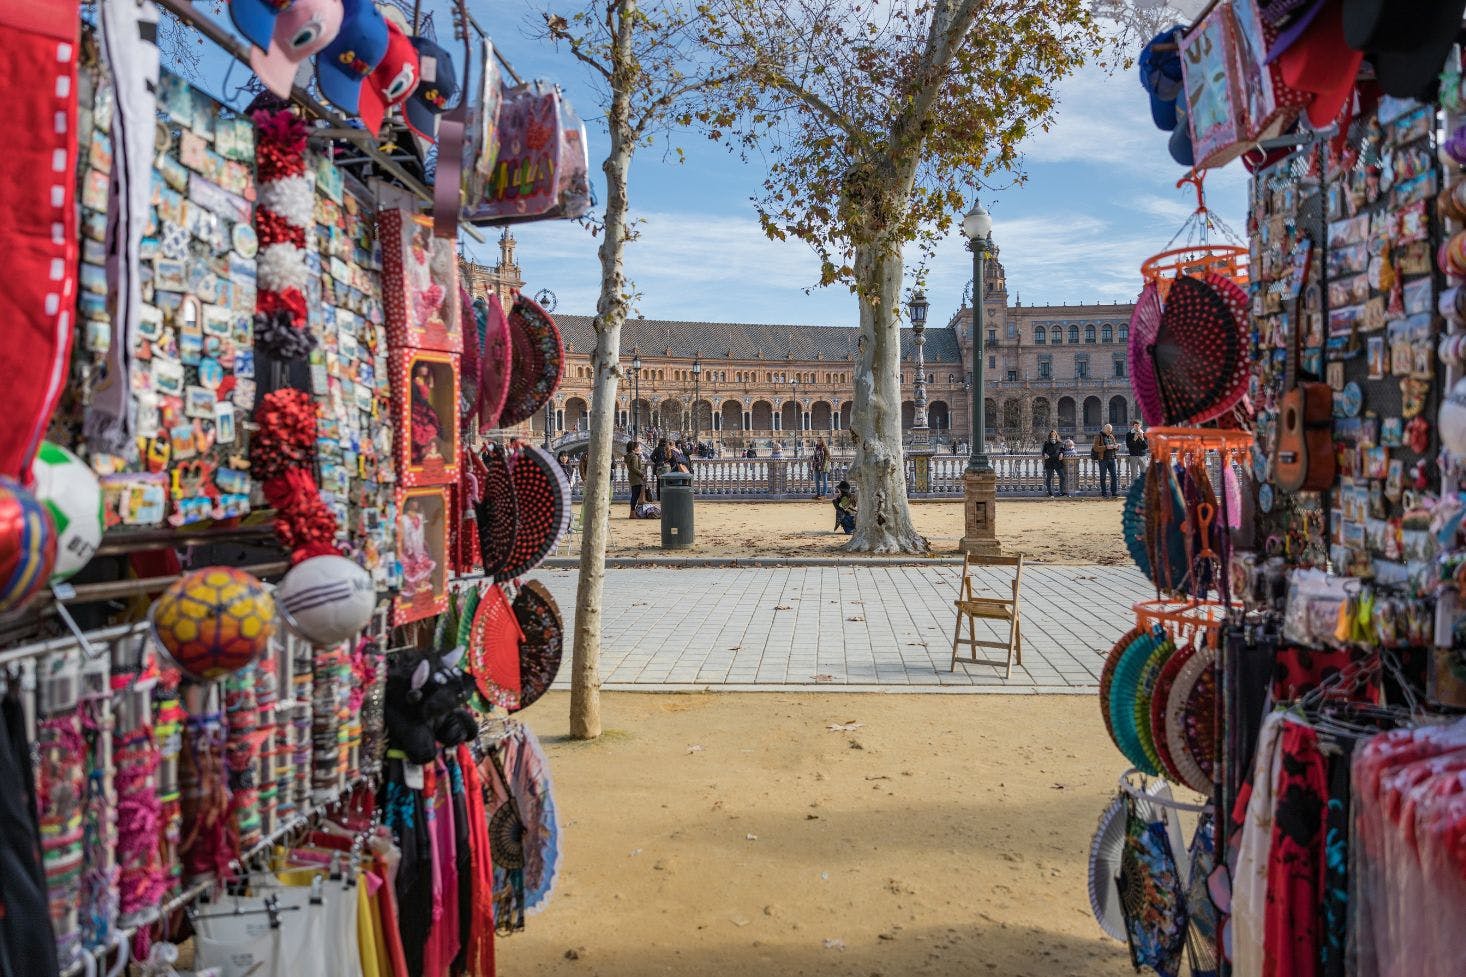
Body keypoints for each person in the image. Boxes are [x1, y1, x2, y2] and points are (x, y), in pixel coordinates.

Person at [1092, 423, 1120, 498]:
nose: (1109, 432)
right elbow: (1095, 448)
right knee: (1103, 477)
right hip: (1103, 459)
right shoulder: (1098, 436)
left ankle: (1114, 492)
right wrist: (1106, 447)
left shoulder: (1111, 436)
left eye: (1110, 430)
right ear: (1104, 429)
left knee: (1114, 476)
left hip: (1112, 459)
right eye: (1108, 430)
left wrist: (1116, 447)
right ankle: (1104, 493)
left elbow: (1115, 446)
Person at [1041, 429, 1067, 497]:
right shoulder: (1046, 443)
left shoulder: (1060, 443)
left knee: (1062, 477)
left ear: (1056, 435)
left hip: (1057, 462)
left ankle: (1061, 492)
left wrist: (1061, 453)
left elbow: (1063, 450)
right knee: (1048, 478)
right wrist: (1045, 454)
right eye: (1051, 435)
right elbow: (1043, 451)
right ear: (1049, 436)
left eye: (1054, 435)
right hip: (1049, 462)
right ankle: (1049, 492)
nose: (1053, 436)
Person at [625, 440, 646, 518]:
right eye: (639, 447)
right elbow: (635, 468)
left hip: (633, 477)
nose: (640, 448)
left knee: (635, 494)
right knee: (635, 495)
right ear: (635, 448)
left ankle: (632, 512)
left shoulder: (631, 455)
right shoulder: (634, 456)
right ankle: (632, 513)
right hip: (636, 478)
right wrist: (642, 475)